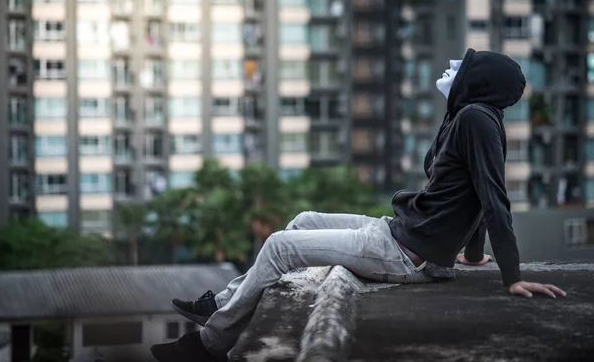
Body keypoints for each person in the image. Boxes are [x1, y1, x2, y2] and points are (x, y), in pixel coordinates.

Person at [150, 48, 566, 362]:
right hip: (399, 234)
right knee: (303, 220)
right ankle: (221, 303)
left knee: (278, 246)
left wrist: (511, 275)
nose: (452, 67)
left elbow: (493, 197)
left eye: (465, 66)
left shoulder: (476, 118)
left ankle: (208, 345)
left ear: (479, 81)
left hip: (404, 254)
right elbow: (473, 193)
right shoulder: (469, 117)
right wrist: (470, 255)